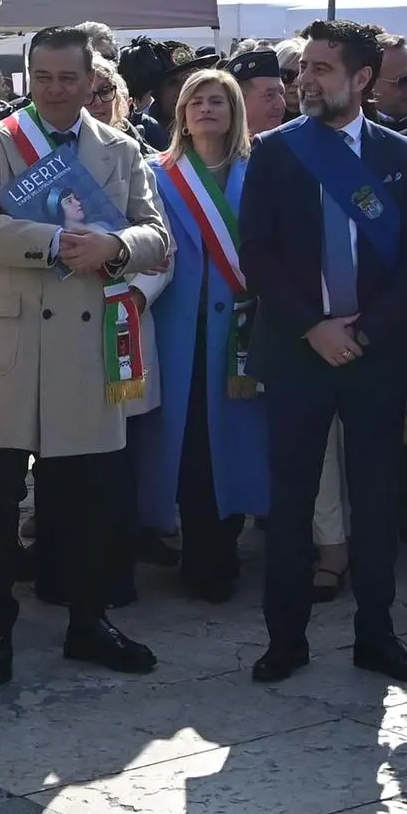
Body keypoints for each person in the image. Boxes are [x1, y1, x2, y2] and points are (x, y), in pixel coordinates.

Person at [0, 22, 172, 684]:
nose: (55, 89)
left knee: (88, 497)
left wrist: (116, 248)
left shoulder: (120, 147)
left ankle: (88, 620)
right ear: (27, 79)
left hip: (86, 336)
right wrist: (52, 243)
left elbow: (155, 233)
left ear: (89, 80)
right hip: (15, 337)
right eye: (43, 77)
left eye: (68, 77)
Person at [247, 18, 407, 682]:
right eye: (304, 67)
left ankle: (377, 635)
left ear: (362, 79)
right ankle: (286, 638)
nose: (306, 80)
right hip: (298, 350)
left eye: (323, 69)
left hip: (375, 355)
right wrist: (313, 326)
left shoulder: (401, 155)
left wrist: (364, 331)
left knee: (377, 497)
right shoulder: (275, 152)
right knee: (292, 499)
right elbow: (258, 255)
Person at [138, 68, 272, 601]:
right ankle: (199, 553)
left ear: (234, 110)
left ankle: (227, 544)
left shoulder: (259, 170)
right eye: (196, 101)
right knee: (191, 444)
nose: (206, 109)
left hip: (244, 331)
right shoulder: (156, 174)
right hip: (180, 333)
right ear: (181, 115)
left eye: (218, 100)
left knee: (238, 441)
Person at [231, 44, 294, 148]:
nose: (280, 104)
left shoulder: (291, 153)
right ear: (240, 100)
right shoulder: (219, 157)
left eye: (281, 93)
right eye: (269, 95)